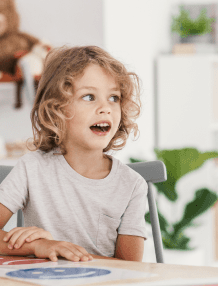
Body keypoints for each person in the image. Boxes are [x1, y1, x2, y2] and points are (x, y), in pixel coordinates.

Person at [0, 45, 147, 262]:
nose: (105, 108)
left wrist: (66, 254)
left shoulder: (132, 185)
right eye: (89, 97)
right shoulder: (32, 168)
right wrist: (38, 245)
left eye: (114, 98)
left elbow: (131, 268)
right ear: (55, 109)